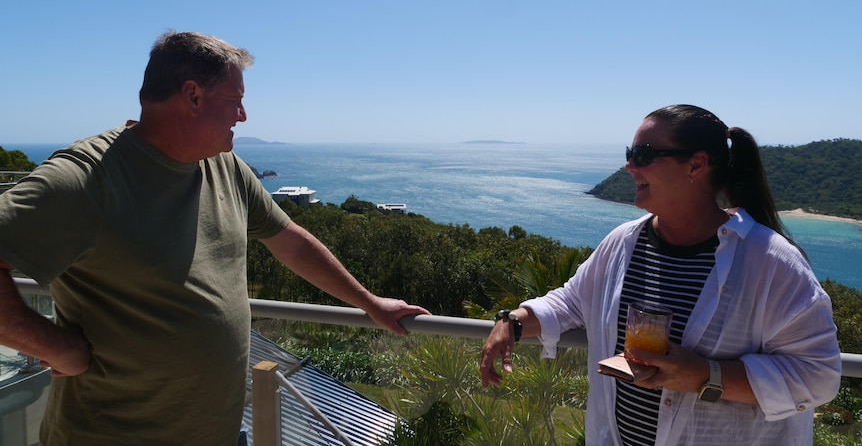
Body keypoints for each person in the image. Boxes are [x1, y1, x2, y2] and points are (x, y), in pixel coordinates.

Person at [0, 31, 430, 446]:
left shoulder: (224, 167)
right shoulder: (88, 178)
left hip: (218, 432)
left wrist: (368, 302)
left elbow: (292, 242)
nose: (242, 116)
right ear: (192, 96)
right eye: (235, 100)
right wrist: (55, 346)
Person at [479, 104, 841, 445]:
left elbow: (818, 377)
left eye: (643, 155)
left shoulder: (770, 262)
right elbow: (572, 300)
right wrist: (512, 321)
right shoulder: (623, 243)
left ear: (696, 165)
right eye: (629, 153)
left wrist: (705, 375)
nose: (629, 167)